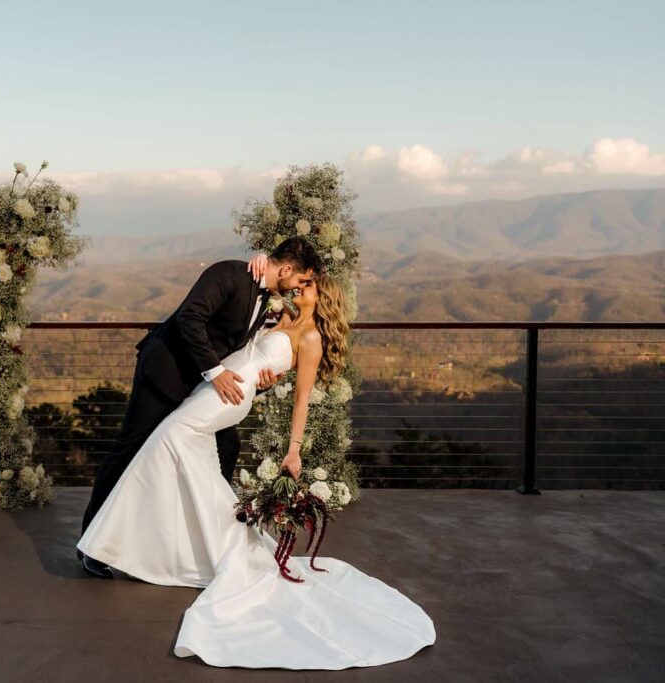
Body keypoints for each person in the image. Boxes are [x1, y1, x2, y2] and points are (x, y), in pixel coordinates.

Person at [76, 270, 436, 669]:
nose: (301, 288)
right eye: (302, 282)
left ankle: (130, 542)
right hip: (213, 389)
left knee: (166, 441)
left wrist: (293, 452)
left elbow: (302, 400)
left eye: (310, 286)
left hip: (229, 399)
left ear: (324, 296)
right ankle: (182, 546)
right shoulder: (277, 317)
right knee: (189, 463)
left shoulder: (311, 338)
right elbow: (242, 352)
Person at [77, 237, 322, 579]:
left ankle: (199, 538)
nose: (298, 287)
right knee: (130, 448)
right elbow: (189, 318)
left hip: (201, 388)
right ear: (285, 270)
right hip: (165, 373)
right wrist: (217, 373)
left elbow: (248, 353)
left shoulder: (268, 297)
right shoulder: (229, 274)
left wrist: (262, 382)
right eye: (299, 280)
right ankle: (92, 545)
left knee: (227, 445)